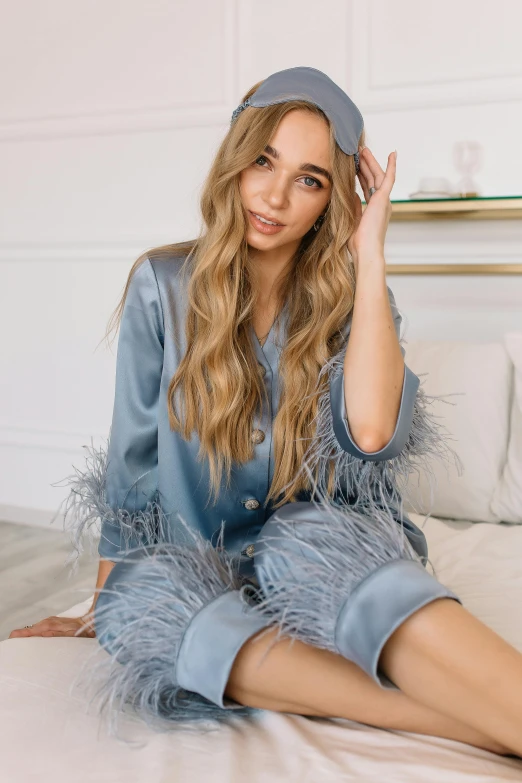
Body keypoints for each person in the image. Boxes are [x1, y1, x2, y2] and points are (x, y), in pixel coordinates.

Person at [9, 67, 522, 757]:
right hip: (205, 567)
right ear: (236, 161)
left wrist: (370, 254)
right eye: (263, 162)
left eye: (310, 179)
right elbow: (133, 472)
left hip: (334, 559)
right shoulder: (161, 287)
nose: (275, 195)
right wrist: (98, 609)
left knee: (305, 542)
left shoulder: (357, 301)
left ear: (333, 197)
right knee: (141, 603)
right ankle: (441, 717)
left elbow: (370, 434)